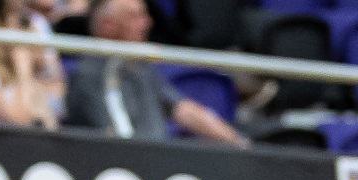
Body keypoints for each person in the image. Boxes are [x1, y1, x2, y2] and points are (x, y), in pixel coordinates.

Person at [63, 0, 244, 145]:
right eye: (136, 16)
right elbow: (109, 137)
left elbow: (184, 110)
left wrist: (238, 142)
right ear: (107, 26)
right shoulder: (87, 75)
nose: (148, 23)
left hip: (158, 161)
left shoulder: (142, 69)